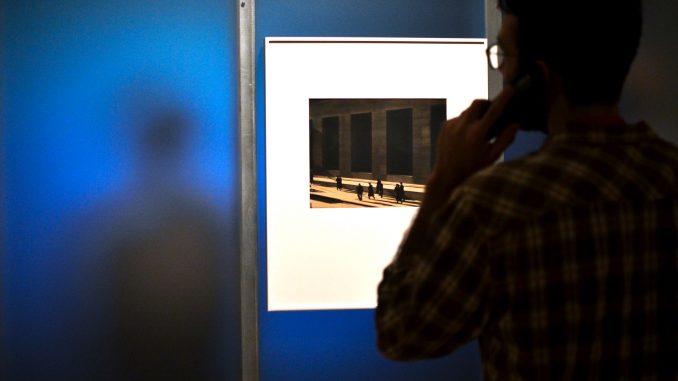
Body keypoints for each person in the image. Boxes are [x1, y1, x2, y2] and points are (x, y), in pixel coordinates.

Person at [376, 1, 678, 379]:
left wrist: (441, 184)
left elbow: (401, 331)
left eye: (503, 54)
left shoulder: (493, 205)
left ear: (538, 77)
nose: (500, 68)